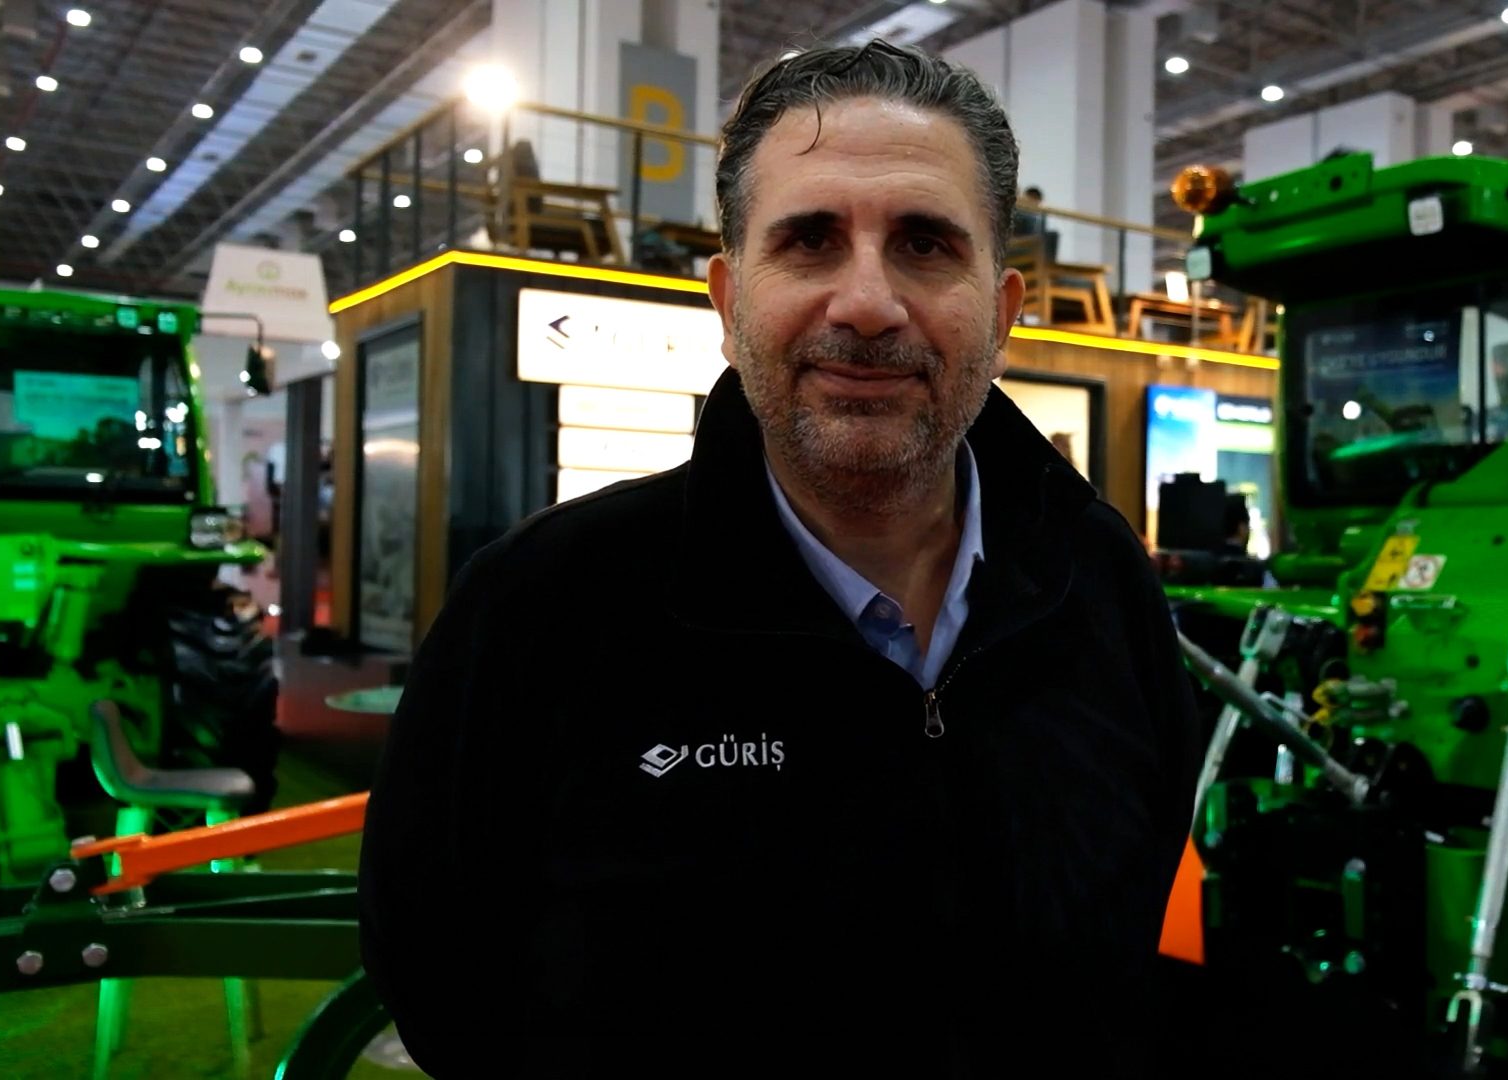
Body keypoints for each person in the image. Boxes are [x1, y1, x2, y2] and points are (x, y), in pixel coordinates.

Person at [358, 39, 1200, 1077]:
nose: (866, 303)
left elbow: (1142, 928)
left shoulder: (1099, 583)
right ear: (727, 301)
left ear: (1004, 308)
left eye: (926, 245)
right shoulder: (544, 610)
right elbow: (444, 984)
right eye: (809, 241)